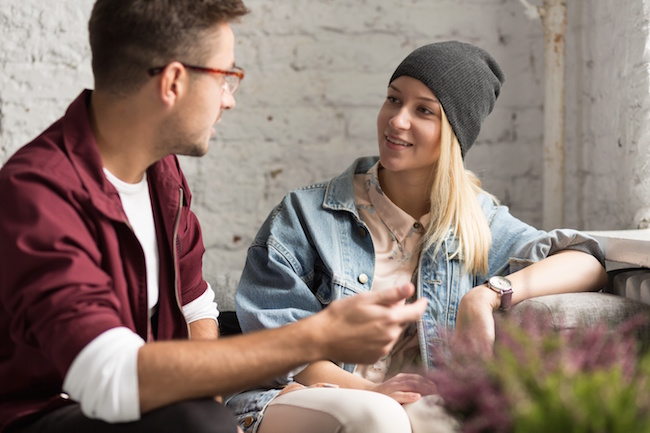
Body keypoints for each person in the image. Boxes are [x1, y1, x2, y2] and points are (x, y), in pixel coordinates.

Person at [0, 2, 429, 433]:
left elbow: (195, 303)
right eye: (226, 77)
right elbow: (108, 377)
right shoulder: (37, 196)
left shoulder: (161, 176)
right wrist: (317, 335)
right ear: (173, 81)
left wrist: (211, 396)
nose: (230, 99)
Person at [229, 41, 609, 433]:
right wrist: (373, 391)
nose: (397, 120)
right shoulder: (307, 215)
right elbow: (277, 344)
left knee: (441, 420)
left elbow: (587, 261)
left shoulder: (476, 222)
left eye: (423, 110)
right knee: (382, 418)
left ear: (454, 133)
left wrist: (486, 295)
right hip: (303, 396)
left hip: (411, 408)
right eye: (393, 100)